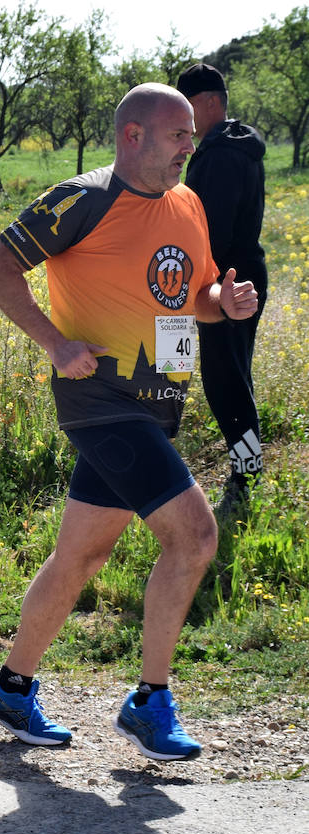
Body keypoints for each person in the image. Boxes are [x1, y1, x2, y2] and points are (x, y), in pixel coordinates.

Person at [0, 84, 260, 761]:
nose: (191, 146)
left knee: (83, 555)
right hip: (103, 401)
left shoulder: (187, 202)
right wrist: (54, 343)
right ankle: (149, 701)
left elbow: (197, 298)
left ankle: (11, 686)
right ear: (133, 136)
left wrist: (229, 300)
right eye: (177, 134)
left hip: (159, 405)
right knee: (194, 538)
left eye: (193, 134)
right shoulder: (84, 199)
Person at [175, 63, 269, 518]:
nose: (185, 121)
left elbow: (210, 228)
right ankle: (248, 464)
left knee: (224, 380)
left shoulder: (219, 155)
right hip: (243, 272)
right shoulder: (238, 145)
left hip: (225, 280)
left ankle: (246, 475)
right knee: (234, 374)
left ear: (211, 101)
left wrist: (200, 281)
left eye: (189, 108)